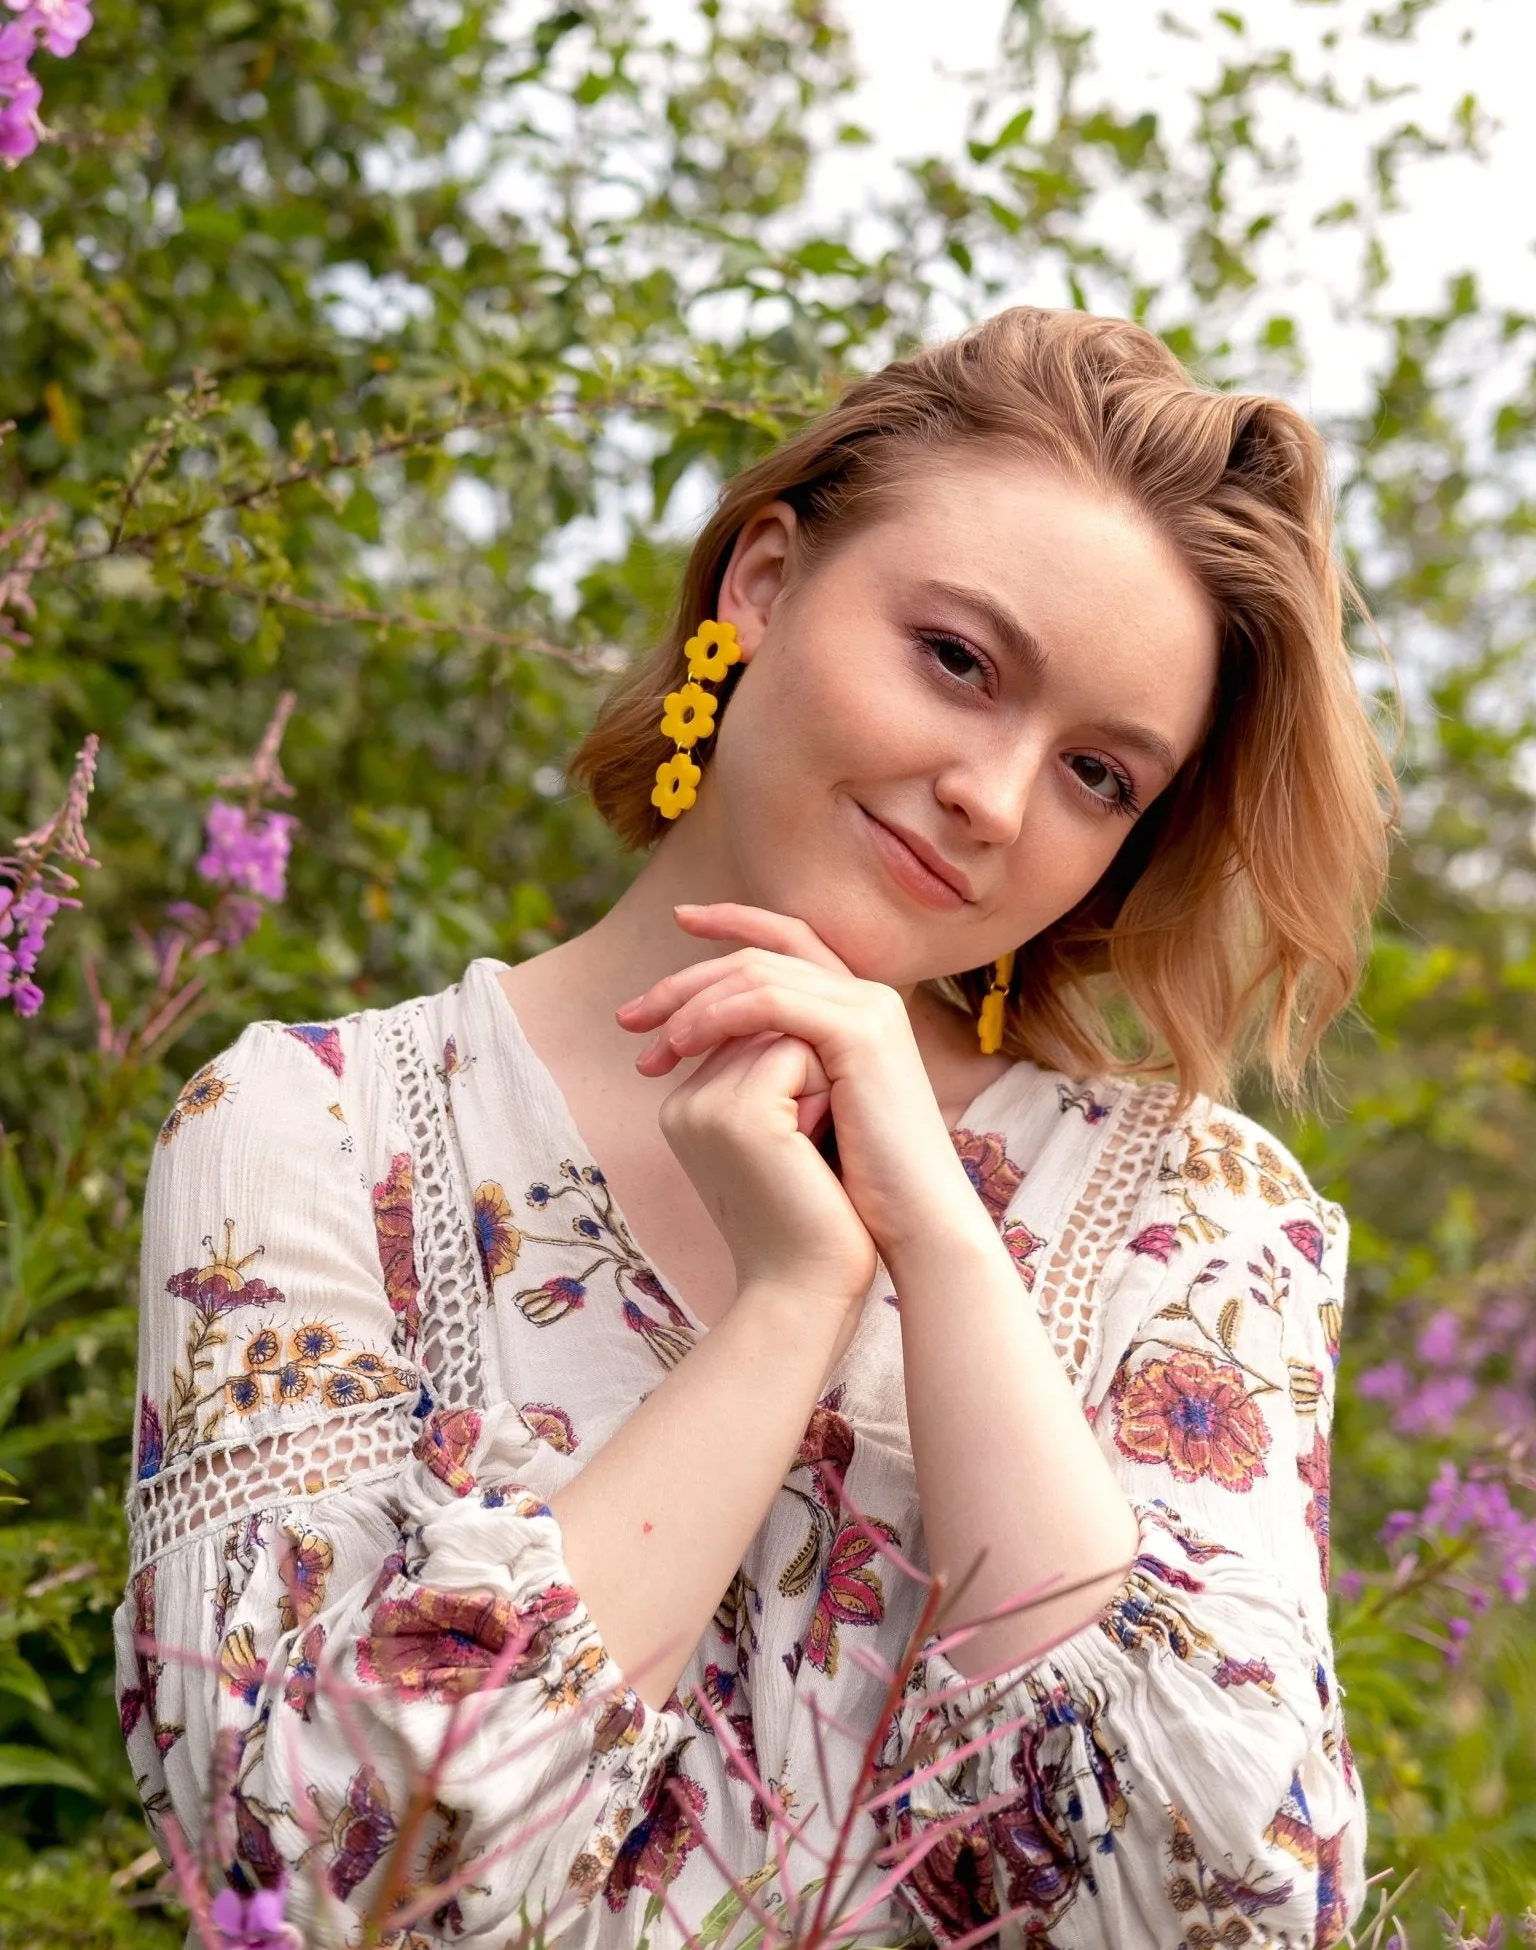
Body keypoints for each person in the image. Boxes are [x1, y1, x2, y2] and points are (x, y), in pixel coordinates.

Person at [116, 308, 1391, 1948]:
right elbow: (309, 1872)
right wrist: (792, 1302)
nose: (993, 797)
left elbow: (1233, 1904)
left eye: (1096, 776)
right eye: (957, 661)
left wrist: (936, 1246)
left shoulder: (1193, 1219)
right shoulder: (309, 1134)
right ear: (766, 580)